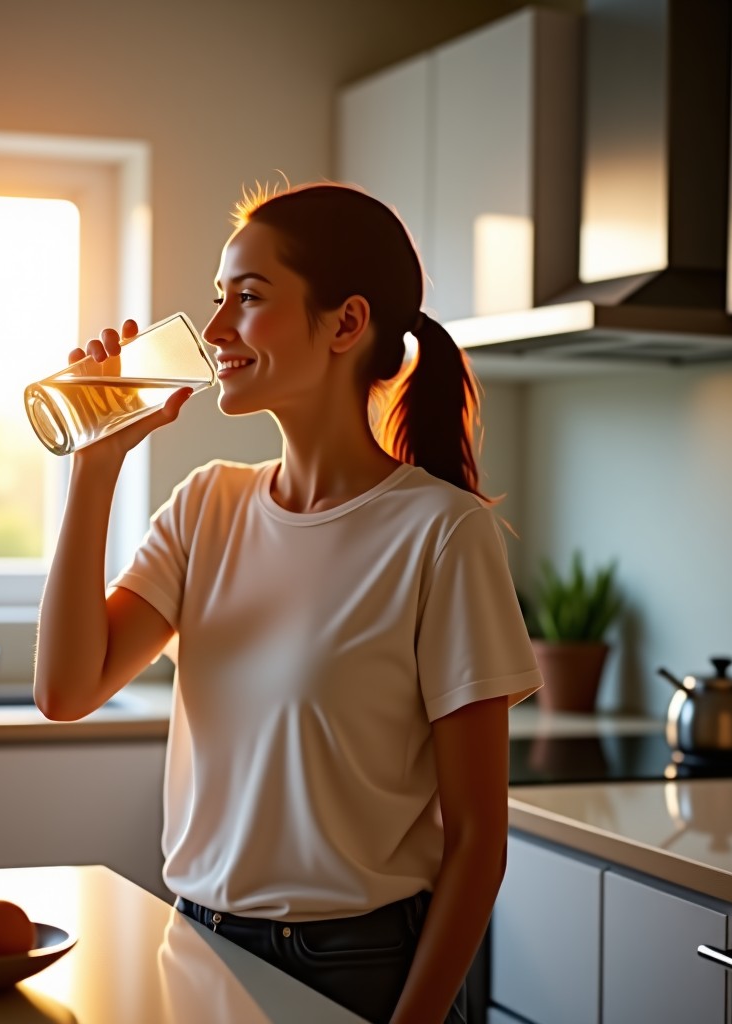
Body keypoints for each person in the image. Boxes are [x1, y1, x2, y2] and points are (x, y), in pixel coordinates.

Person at [34, 182, 542, 1024]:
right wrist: (95, 463)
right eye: (217, 300)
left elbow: (479, 841)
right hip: (197, 949)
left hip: (363, 969)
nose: (217, 331)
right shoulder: (207, 507)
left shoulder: (442, 534)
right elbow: (65, 690)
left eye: (249, 298)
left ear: (345, 324)